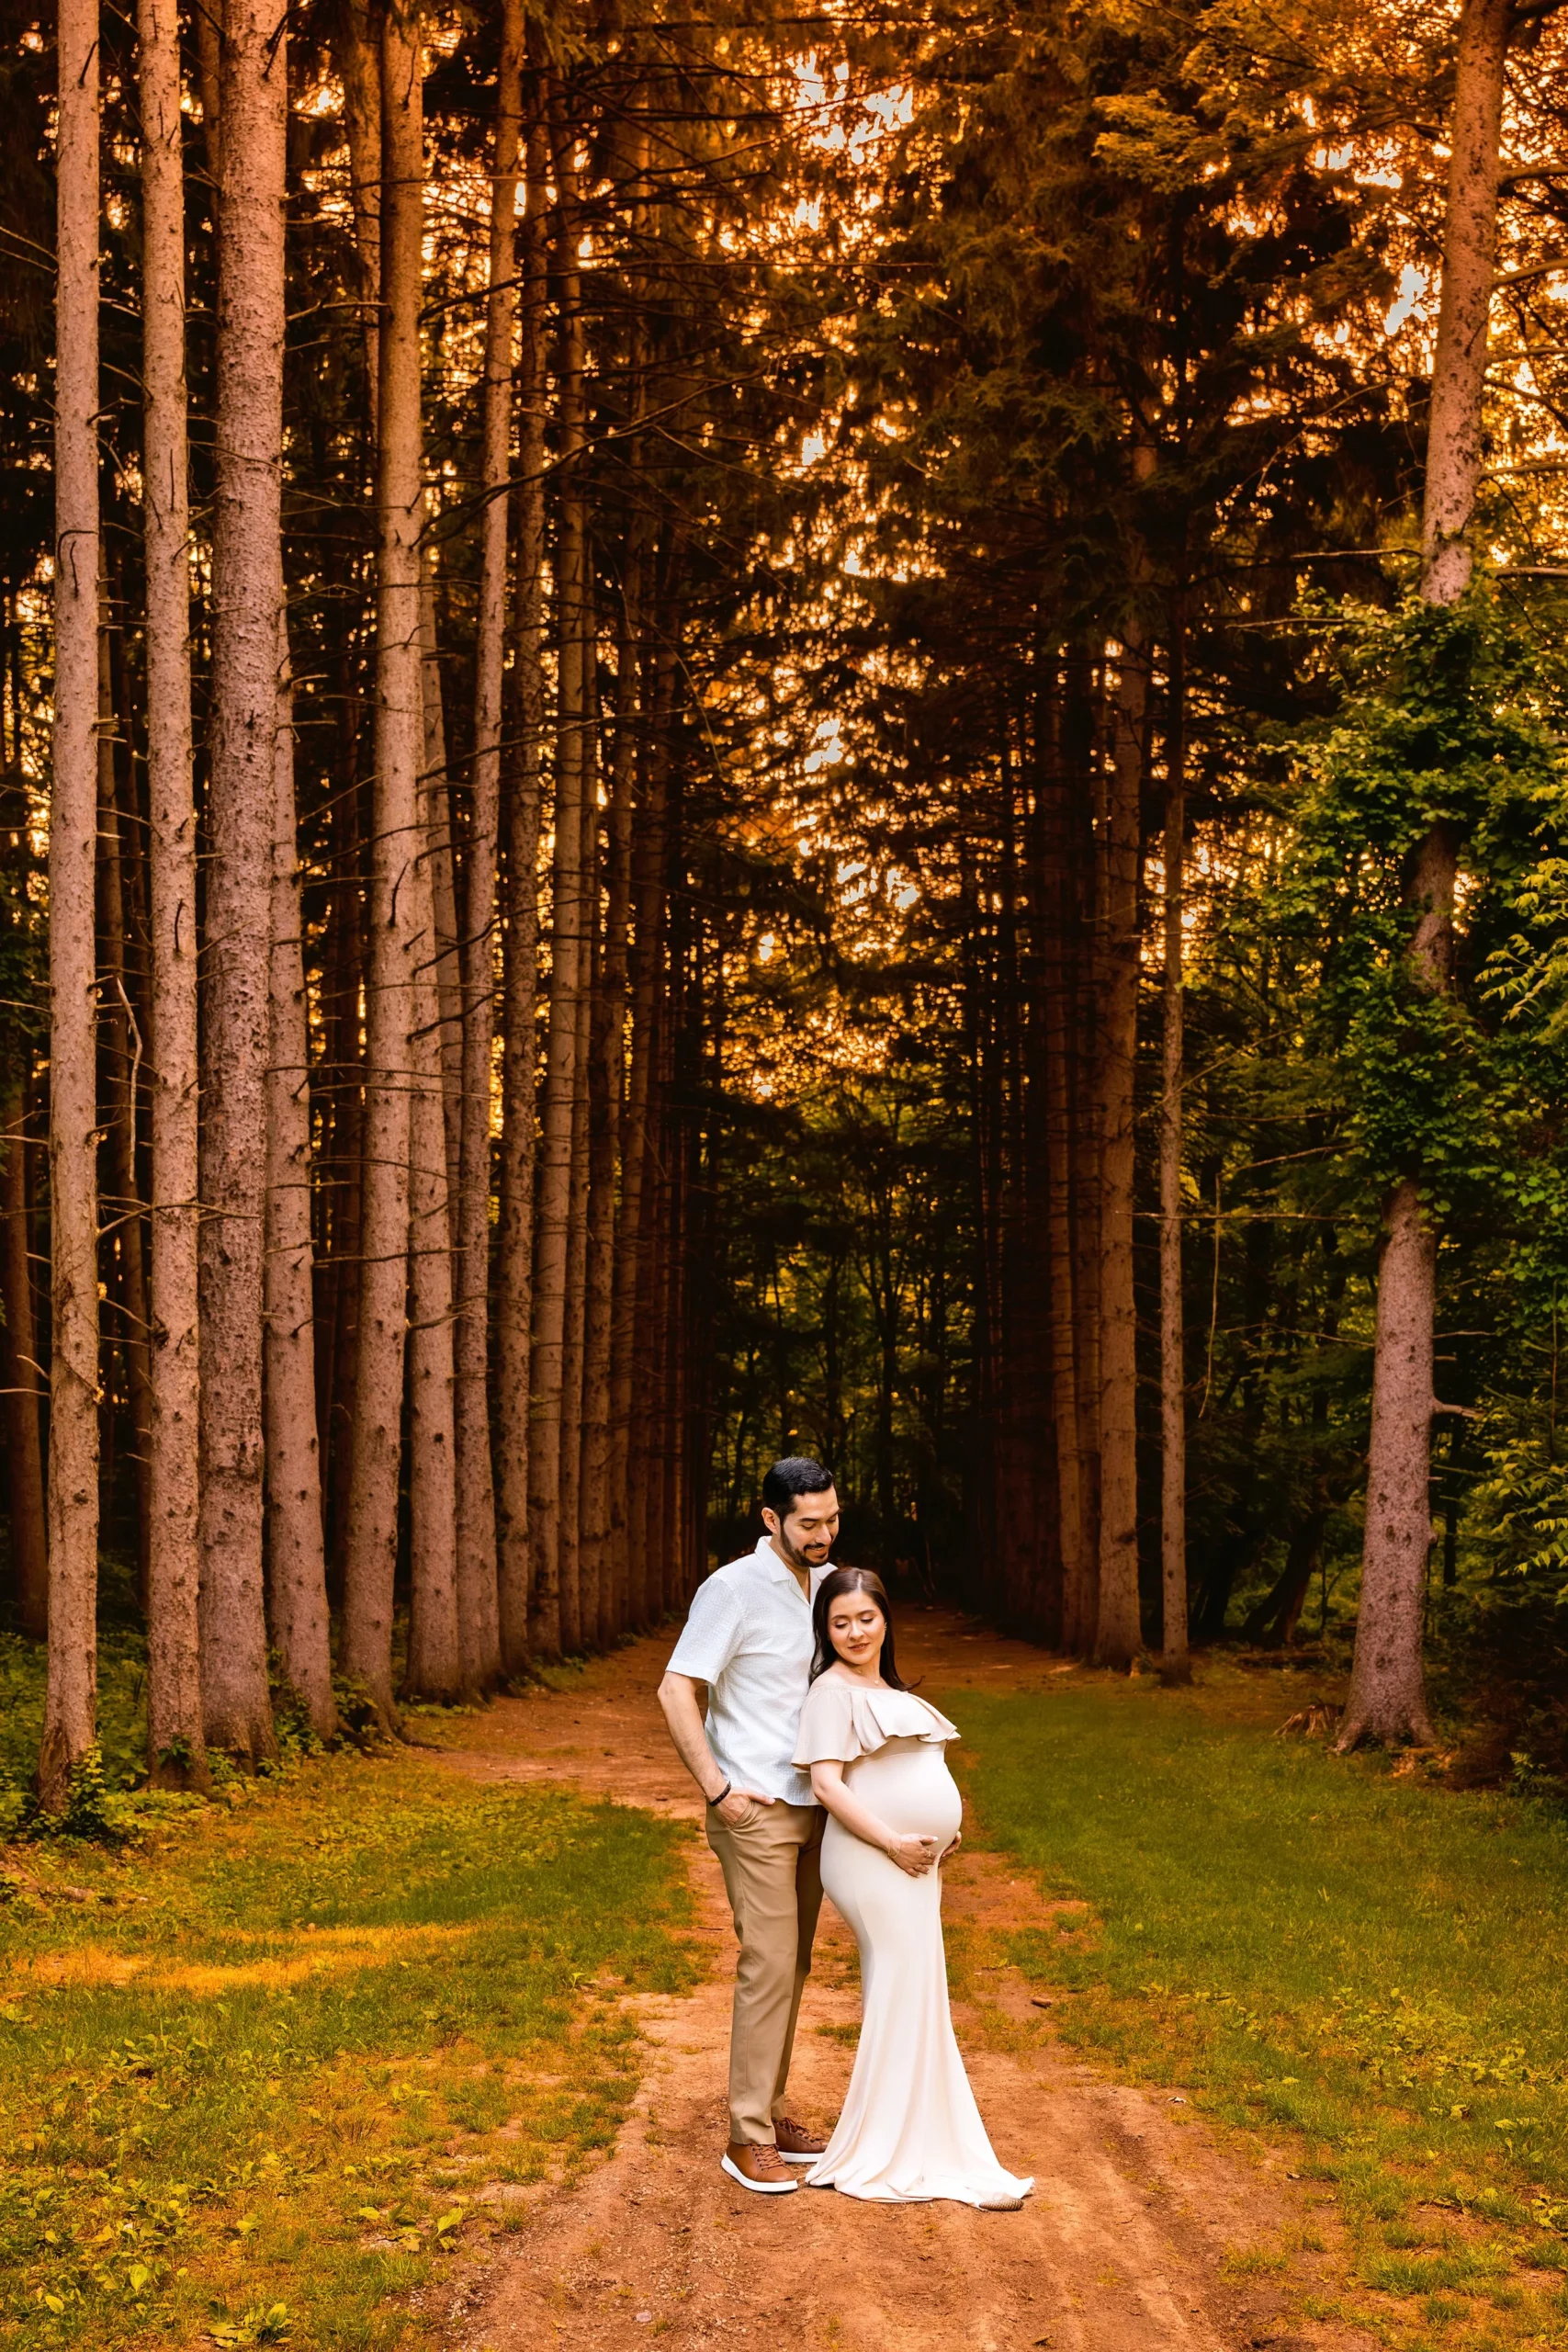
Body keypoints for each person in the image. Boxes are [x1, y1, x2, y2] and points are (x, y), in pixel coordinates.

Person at [793, 1566, 1032, 2210]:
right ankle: (884, 2148)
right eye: (839, 1622)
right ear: (826, 1629)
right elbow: (826, 1785)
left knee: (919, 1990)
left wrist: (938, 1834)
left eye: (865, 1618)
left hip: (914, 1863)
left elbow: (916, 1768)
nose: (854, 1631)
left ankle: (924, 2140)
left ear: (885, 1620)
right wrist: (894, 1841)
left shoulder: (893, 1690)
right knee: (902, 1986)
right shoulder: (830, 1693)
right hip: (870, 1859)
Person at [658, 1457, 841, 2194]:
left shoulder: (832, 1586)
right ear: (771, 1521)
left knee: (792, 1964)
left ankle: (768, 2106)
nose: (823, 1533)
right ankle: (747, 2136)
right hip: (755, 1809)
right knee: (768, 1962)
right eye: (808, 1523)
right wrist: (717, 1787)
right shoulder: (730, 1589)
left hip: (817, 1805)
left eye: (831, 1519)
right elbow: (677, 1688)